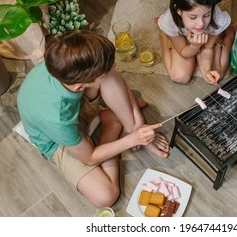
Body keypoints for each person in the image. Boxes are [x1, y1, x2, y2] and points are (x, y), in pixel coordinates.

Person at [17, 30, 169, 207]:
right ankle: (112, 124)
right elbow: (89, 158)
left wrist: (138, 126)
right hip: (58, 142)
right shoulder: (57, 119)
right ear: (79, 86)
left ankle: (130, 125)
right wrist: (132, 140)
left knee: (108, 74)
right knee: (107, 196)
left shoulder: (64, 61)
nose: (117, 67)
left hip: (74, 108)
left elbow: (112, 75)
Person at [157, 0, 237, 85]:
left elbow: (208, 47)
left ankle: (230, 33)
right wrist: (195, 46)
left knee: (216, 74)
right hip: (181, 36)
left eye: (206, 15)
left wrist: (207, 70)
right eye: (193, 17)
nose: (201, 24)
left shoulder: (216, 18)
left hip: (206, 38)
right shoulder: (170, 21)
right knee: (179, 76)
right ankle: (164, 35)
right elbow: (183, 52)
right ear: (178, 10)